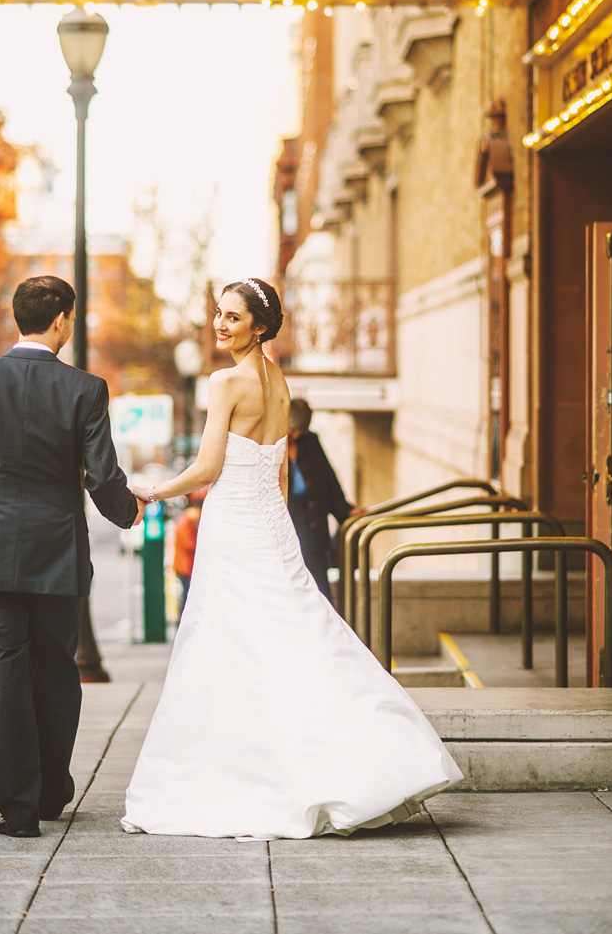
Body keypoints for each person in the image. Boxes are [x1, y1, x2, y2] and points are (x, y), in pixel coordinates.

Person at [120, 278, 461, 839]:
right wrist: (274, 522)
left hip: (235, 527)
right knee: (293, 636)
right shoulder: (277, 380)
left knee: (229, 644)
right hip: (267, 526)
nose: (220, 325)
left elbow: (207, 471)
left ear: (259, 325)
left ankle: (248, 778)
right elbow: (277, 470)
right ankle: (360, 759)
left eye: (233, 317)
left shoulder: (226, 382)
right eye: (218, 314)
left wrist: (150, 492)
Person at [0, 275, 143, 838]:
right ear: (61, 321)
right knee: (55, 672)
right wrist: (128, 511)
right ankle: (51, 790)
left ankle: (17, 806)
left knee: (1, 674)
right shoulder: (85, 389)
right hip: (58, 555)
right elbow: (101, 475)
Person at [287, 397, 361, 598]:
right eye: (292, 429)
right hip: (288, 531)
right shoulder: (270, 444)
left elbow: (329, 481)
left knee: (319, 593)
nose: (296, 434)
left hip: (314, 531)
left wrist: (344, 509)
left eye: (300, 430)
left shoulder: (310, 441)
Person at [171, 488, 205, 612]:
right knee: (186, 597)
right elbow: (189, 544)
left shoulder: (186, 520)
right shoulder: (187, 522)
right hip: (185, 567)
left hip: (186, 566)